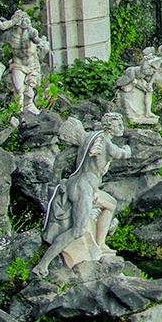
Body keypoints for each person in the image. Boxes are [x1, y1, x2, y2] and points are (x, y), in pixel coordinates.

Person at [34, 115, 132, 276]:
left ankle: (100, 245)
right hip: (83, 188)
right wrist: (128, 149)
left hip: (81, 184)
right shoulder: (106, 144)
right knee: (78, 230)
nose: (122, 126)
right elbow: (122, 154)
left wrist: (56, 178)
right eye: (118, 124)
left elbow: (61, 157)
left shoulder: (89, 136)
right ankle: (43, 264)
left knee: (111, 204)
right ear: (108, 127)